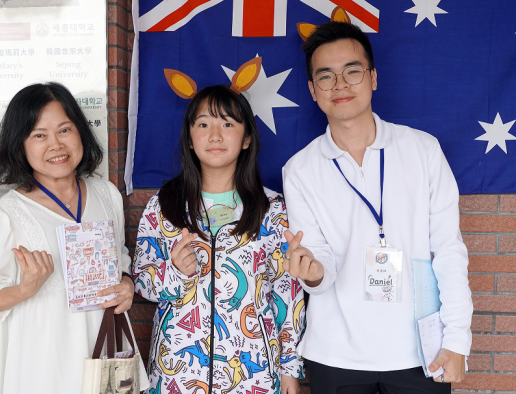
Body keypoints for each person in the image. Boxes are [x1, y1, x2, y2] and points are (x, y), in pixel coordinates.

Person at [282, 22, 473, 393]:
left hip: (421, 352)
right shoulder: (300, 169)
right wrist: (313, 273)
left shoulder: (423, 150)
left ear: (372, 78)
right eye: (326, 76)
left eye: (352, 71)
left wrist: (457, 338)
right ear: (313, 90)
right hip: (335, 355)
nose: (340, 85)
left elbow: (448, 250)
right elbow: (319, 262)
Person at [0, 82, 135, 393]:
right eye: (39, 135)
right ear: (20, 145)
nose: (56, 145)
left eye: (64, 130)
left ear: (80, 132)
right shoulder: (5, 214)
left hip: (106, 350)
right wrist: (24, 289)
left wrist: (127, 285)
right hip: (45, 362)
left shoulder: (106, 194)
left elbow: (120, 260)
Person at [133, 85, 306, 394]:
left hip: (252, 375)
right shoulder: (164, 205)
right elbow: (142, 282)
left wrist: (290, 368)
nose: (215, 136)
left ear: (247, 138)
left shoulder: (271, 209)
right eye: (203, 124)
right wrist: (174, 272)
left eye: (227, 124)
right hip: (177, 375)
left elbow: (287, 295)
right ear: (189, 138)